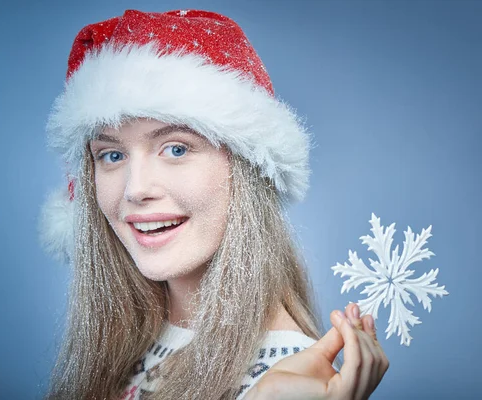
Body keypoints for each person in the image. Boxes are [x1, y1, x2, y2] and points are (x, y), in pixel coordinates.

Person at [40, 9, 389, 400]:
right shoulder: (124, 346)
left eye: (176, 148)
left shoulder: (293, 386)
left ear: (247, 169)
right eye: (111, 155)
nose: (134, 190)